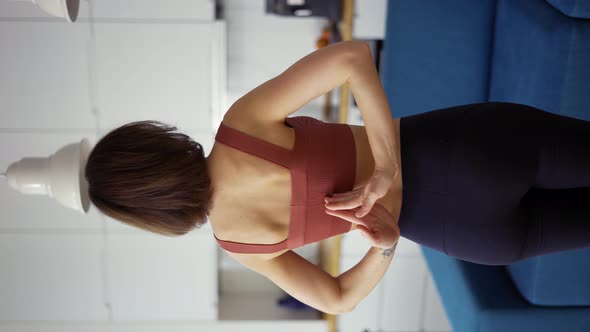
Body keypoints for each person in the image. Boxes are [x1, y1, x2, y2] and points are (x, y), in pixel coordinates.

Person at [84, 41, 590, 314]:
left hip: (465, 234)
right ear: (155, 145)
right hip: (467, 150)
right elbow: (351, 58)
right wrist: (388, 165)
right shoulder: (241, 126)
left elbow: (339, 300)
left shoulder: (238, 243)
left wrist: (385, 245)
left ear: (150, 212)